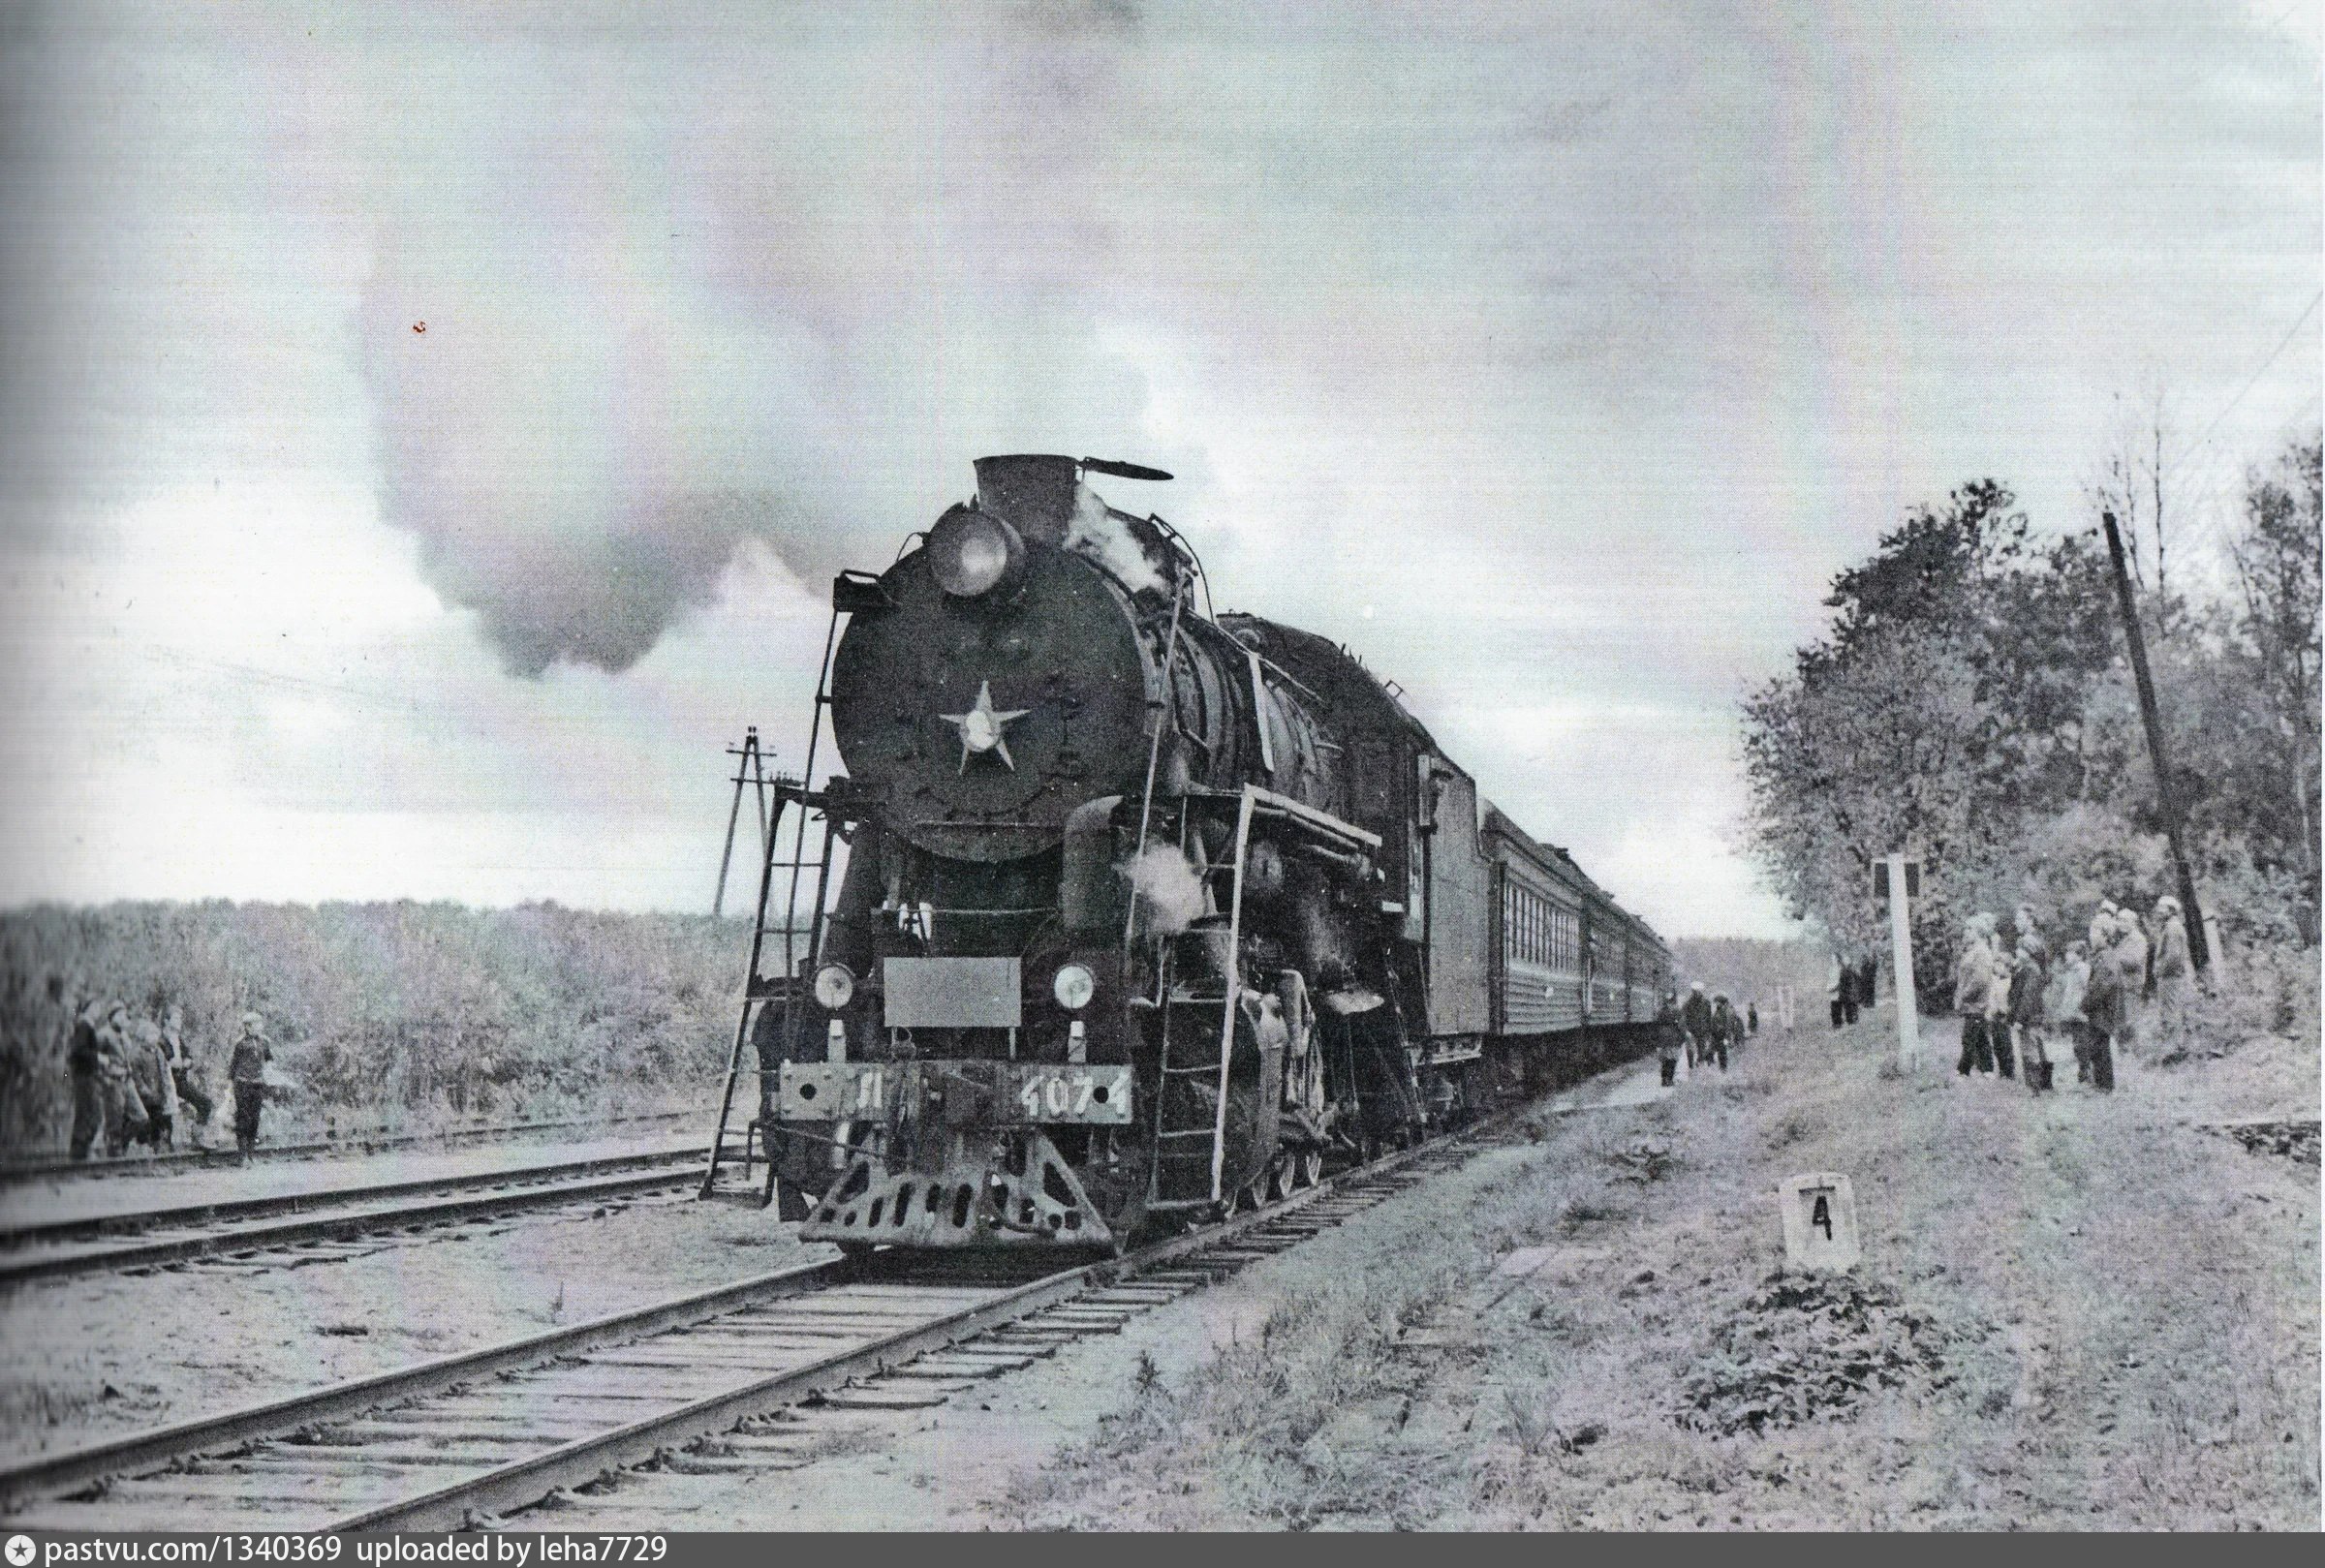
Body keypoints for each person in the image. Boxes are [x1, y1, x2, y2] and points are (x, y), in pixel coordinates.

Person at [2081, 918, 2124, 1091]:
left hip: (2103, 1009)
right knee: (2096, 1046)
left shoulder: (2107, 957)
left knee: (2100, 1046)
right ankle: (2100, 1083)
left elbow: (2102, 985)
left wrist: (2086, 1003)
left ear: (2105, 936)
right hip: (2098, 1009)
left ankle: (2105, 1085)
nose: (2091, 936)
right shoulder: (2101, 956)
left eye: (2095, 932)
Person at [160, 1005, 214, 1144]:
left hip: (180, 1081)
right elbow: (163, 1061)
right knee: (165, 1114)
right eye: (176, 1018)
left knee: (205, 1103)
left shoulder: (178, 1039)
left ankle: (197, 1135)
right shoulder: (161, 1040)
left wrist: (187, 1062)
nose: (180, 1021)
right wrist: (174, 1063)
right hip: (164, 1083)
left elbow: (188, 1057)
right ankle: (162, 1146)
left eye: (180, 1018)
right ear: (166, 1021)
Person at [2008, 932, 2053, 1093]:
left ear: (2029, 952)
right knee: (2030, 1048)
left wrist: (2019, 1018)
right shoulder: (2027, 969)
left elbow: (2027, 997)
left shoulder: (2031, 971)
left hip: (2030, 1018)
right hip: (2030, 1016)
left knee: (2030, 1050)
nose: (2017, 952)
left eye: (2020, 949)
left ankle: (2034, 1086)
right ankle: (2038, 1084)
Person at [125, 1019, 178, 1151]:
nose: (155, 1038)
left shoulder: (158, 1052)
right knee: (144, 1121)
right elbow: (136, 1076)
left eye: (156, 1035)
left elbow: (163, 1072)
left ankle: (156, 1145)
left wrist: (166, 1090)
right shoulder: (137, 1054)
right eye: (151, 1035)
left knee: (158, 1120)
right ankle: (140, 1144)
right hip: (145, 1095)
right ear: (143, 1036)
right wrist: (143, 1089)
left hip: (158, 1094)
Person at [65, 996, 108, 1161]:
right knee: (88, 1114)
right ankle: (79, 1153)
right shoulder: (84, 1025)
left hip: (87, 1076)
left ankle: (81, 1153)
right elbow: (78, 1051)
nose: (98, 1011)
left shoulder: (87, 1026)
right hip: (84, 1077)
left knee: (90, 1113)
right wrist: (98, 1058)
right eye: (95, 1007)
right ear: (87, 1008)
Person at [1953, 919, 1997, 1076]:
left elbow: (1980, 979)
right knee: (1978, 1036)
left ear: (1979, 932)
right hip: (1971, 1003)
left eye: (1970, 929)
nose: (1966, 932)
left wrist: (1964, 995)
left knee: (1969, 1037)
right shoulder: (1974, 951)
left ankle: (1963, 1070)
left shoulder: (1982, 952)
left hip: (1976, 1002)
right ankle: (1987, 1070)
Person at [2047, 938, 2092, 1084]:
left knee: (2082, 1044)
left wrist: (2080, 1006)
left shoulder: (2082, 969)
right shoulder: (2071, 970)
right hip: (2072, 1012)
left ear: (2079, 955)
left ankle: (2086, 1073)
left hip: (2079, 1012)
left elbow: (2085, 990)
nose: (2066, 956)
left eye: (2070, 953)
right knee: (2077, 1044)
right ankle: (2083, 1072)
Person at [229, 1012, 271, 1155]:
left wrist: (267, 1073)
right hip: (243, 1084)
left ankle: (251, 1152)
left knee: (255, 1118)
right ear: (247, 1027)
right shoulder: (240, 1043)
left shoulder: (264, 1042)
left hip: (257, 1084)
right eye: (256, 1024)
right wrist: (230, 1086)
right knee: (243, 1118)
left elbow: (269, 1059)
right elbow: (233, 1065)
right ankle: (242, 1153)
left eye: (260, 1023)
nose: (260, 1026)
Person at [2152, 895, 2192, 1047]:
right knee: (2170, 1011)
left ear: (2170, 910)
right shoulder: (2170, 927)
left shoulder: (2173, 928)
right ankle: (2175, 1045)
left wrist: (2160, 971)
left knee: (2171, 1011)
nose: (2158, 911)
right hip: (2169, 976)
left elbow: (2173, 957)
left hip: (2170, 977)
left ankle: (2175, 1047)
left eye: (2162, 908)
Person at [2111, 906, 2151, 1059]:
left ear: (2131, 922)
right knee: (2121, 1021)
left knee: (2131, 1021)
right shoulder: (2125, 940)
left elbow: (2135, 961)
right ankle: (2126, 1053)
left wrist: (2115, 958)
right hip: (2123, 985)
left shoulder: (2138, 939)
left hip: (2131, 985)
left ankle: (2137, 1054)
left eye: (2122, 920)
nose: (2119, 923)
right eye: (2118, 920)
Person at [1681, 982, 1715, 1070]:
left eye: (1698, 992)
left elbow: (1709, 1017)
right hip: (1691, 1031)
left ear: (1701, 992)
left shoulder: (1706, 1003)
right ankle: (1691, 1067)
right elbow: (1683, 1019)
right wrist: (1686, 1031)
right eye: (1695, 992)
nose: (1697, 993)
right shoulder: (1687, 1004)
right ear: (1692, 992)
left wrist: (1710, 1032)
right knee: (1690, 1050)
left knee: (1702, 1051)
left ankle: (1699, 1065)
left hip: (1703, 1031)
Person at [1655, 992, 1682, 1087]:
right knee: (1673, 1059)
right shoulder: (1677, 1010)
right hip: (1673, 1037)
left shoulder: (1660, 1011)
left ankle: (1663, 1079)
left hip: (1662, 1037)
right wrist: (1681, 1039)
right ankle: (1670, 1080)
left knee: (1664, 1059)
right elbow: (1681, 1025)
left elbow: (1656, 1024)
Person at [1707, 993, 1736, 1071]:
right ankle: (1715, 1068)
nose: (1716, 1003)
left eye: (1717, 1002)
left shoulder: (1724, 1012)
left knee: (1721, 1054)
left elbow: (1728, 1025)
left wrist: (1727, 1036)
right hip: (1715, 1035)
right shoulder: (1718, 1011)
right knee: (1712, 1052)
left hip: (1721, 1036)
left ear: (1720, 1002)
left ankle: (1722, 1070)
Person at [1827, 954, 1846, 1030]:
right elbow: (1830, 979)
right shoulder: (1831, 969)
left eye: (1834, 958)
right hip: (1832, 990)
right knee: (1833, 1007)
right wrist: (1828, 987)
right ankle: (1835, 1023)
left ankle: (1838, 1023)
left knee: (1837, 1007)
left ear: (1838, 959)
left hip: (1838, 990)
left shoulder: (1840, 968)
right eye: (1832, 958)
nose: (1832, 959)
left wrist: (1835, 988)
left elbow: (1841, 981)